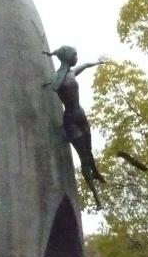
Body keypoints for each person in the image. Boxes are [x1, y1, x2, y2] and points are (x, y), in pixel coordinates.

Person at [44, 45, 105, 208]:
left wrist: (96, 63)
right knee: (83, 156)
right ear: (66, 57)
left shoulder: (71, 72)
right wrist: (62, 66)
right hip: (70, 121)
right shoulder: (58, 76)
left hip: (81, 115)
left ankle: (95, 172)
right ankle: (96, 197)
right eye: (74, 55)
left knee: (89, 149)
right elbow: (54, 86)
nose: (77, 57)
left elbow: (84, 66)